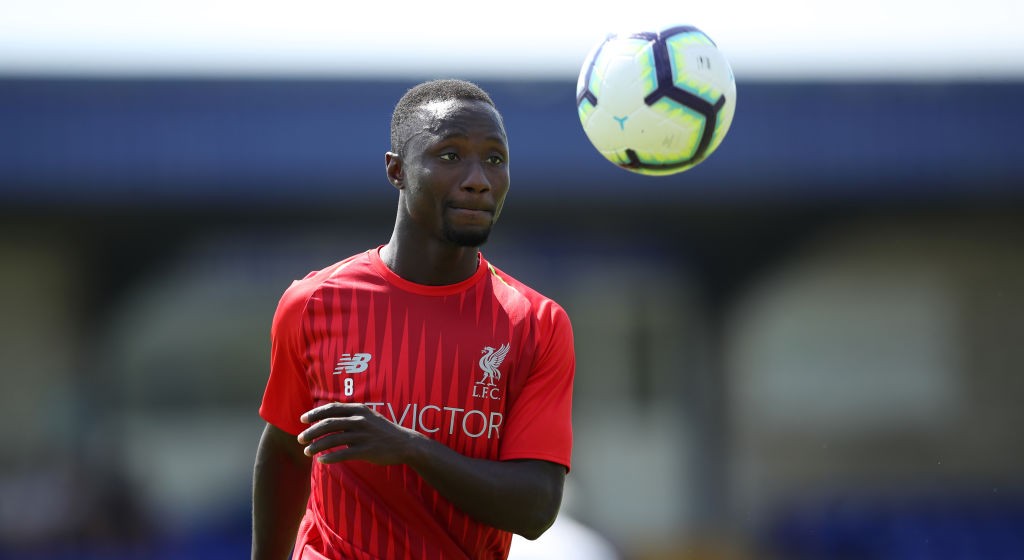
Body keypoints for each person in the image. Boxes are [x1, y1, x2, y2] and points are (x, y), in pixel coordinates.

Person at [251, 79, 576, 560]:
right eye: (449, 155)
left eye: (494, 159)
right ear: (397, 170)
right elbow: (284, 449)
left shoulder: (535, 323)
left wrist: (410, 448)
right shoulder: (313, 302)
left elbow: (536, 508)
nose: (478, 179)